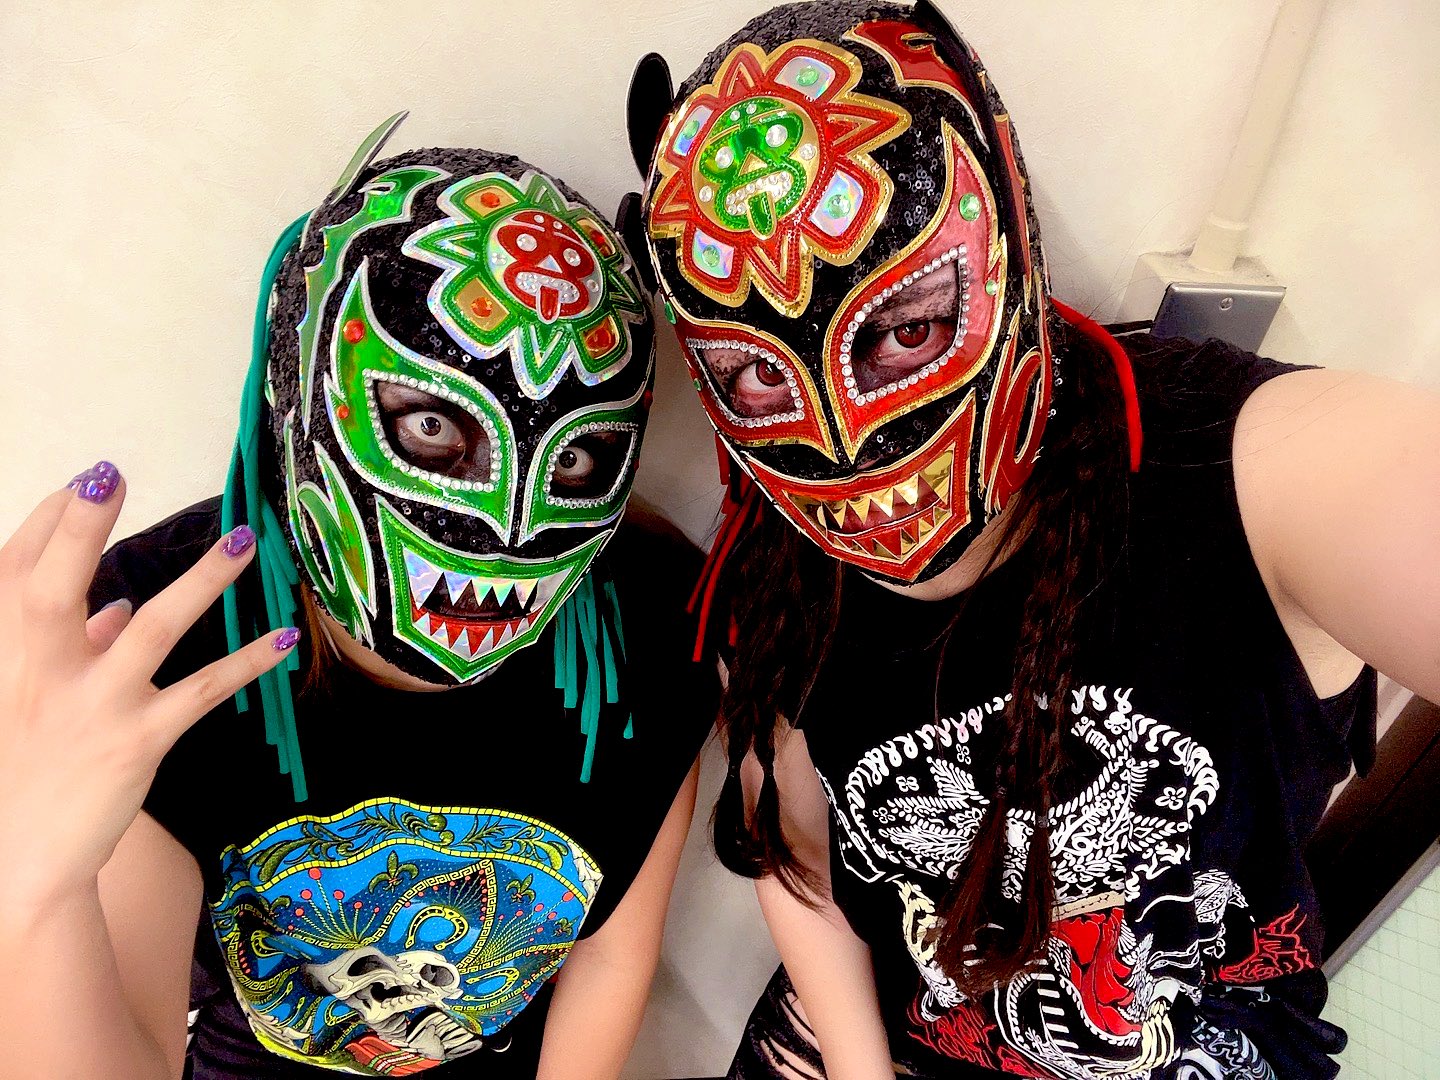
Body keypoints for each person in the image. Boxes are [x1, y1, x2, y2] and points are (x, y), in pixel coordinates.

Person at [628, 3, 1440, 1078]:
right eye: (757, 375)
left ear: (1009, 245)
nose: (845, 441)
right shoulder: (775, 578)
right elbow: (801, 859)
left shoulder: (1262, 476)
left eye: (910, 328)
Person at [0, 116, 717, 1079]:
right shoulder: (155, 648)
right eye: (430, 427)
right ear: (299, 395)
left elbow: (613, 956)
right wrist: (36, 888)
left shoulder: (654, 633)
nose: (506, 529)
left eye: (576, 456)